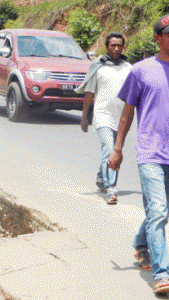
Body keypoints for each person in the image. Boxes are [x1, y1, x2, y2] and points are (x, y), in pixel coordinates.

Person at [108, 14, 169, 294]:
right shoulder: (141, 71)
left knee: (162, 210)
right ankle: (162, 274)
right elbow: (127, 112)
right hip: (151, 153)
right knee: (158, 210)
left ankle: (141, 244)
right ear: (158, 38)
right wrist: (117, 149)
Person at [76, 32, 132, 204]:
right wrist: (84, 117)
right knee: (110, 151)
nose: (116, 49)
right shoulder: (98, 66)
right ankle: (110, 189)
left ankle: (102, 178)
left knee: (114, 150)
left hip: (121, 118)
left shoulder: (128, 68)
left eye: (119, 46)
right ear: (106, 46)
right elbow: (89, 93)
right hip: (103, 116)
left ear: (123, 47)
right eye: (112, 45)